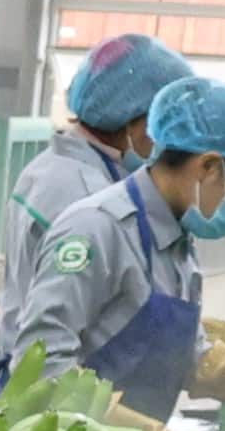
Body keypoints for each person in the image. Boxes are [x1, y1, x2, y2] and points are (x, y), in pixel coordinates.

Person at [19, 74, 225, 431]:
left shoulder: (177, 240)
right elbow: (40, 365)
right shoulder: (97, 230)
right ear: (208, 168)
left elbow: (187, 353)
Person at [13, 32, 195, 277]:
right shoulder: (87, 196)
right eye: (164, 125)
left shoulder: (50, 167)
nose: (168, 141)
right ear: (133, 121)